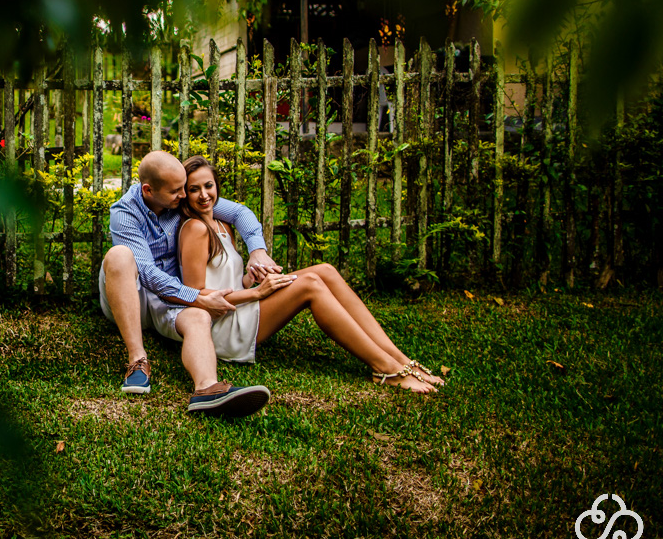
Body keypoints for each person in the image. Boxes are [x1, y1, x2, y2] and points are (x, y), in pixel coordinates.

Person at [173, 156, 446, 393]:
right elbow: (196, 294)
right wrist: (258, 292)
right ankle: (384, 368)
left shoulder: (221, 224)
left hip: (241, 304)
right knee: (311, 285)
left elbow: (226, 280)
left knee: (324, 270)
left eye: (208, 186)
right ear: (185, 194)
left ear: (217, 185)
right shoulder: (195, 229)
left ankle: (399, 359)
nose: (204, 195)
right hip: (224, 328)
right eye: (194, 189)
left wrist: (251, 278)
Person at [98, 151, 280, 418]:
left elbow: (240, 212)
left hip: (168, 298)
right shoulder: (125, 212)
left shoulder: (181, 200)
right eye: (176, 191)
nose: (185, 195)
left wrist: (257, 250)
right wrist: (196, 295)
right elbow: (147, 273)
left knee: (197, 317)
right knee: (120, 256)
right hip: (130, 293)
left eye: (185, 187)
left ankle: (207, 389)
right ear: (149, 190)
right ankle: (138, 362)